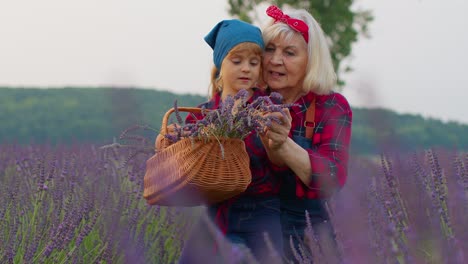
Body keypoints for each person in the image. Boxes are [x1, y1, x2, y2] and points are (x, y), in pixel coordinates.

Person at [177, 19, 284, 263]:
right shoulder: (200, 115)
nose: (246, 68)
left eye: (253, 63)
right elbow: (189, 167)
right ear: (220, 64)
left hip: (262, 211)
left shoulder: (266, 109)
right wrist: (177, 141)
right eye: (237, 61)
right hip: (217, 210)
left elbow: (281, 165)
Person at [259, 5, 353, 261]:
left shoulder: (331, 107)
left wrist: (284, 145)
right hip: (252, 231)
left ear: (311, 61)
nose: (275, 60)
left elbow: (332, 177)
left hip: (310, 238)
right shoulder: (250, 101)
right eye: (270, 49)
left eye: (289, 53)